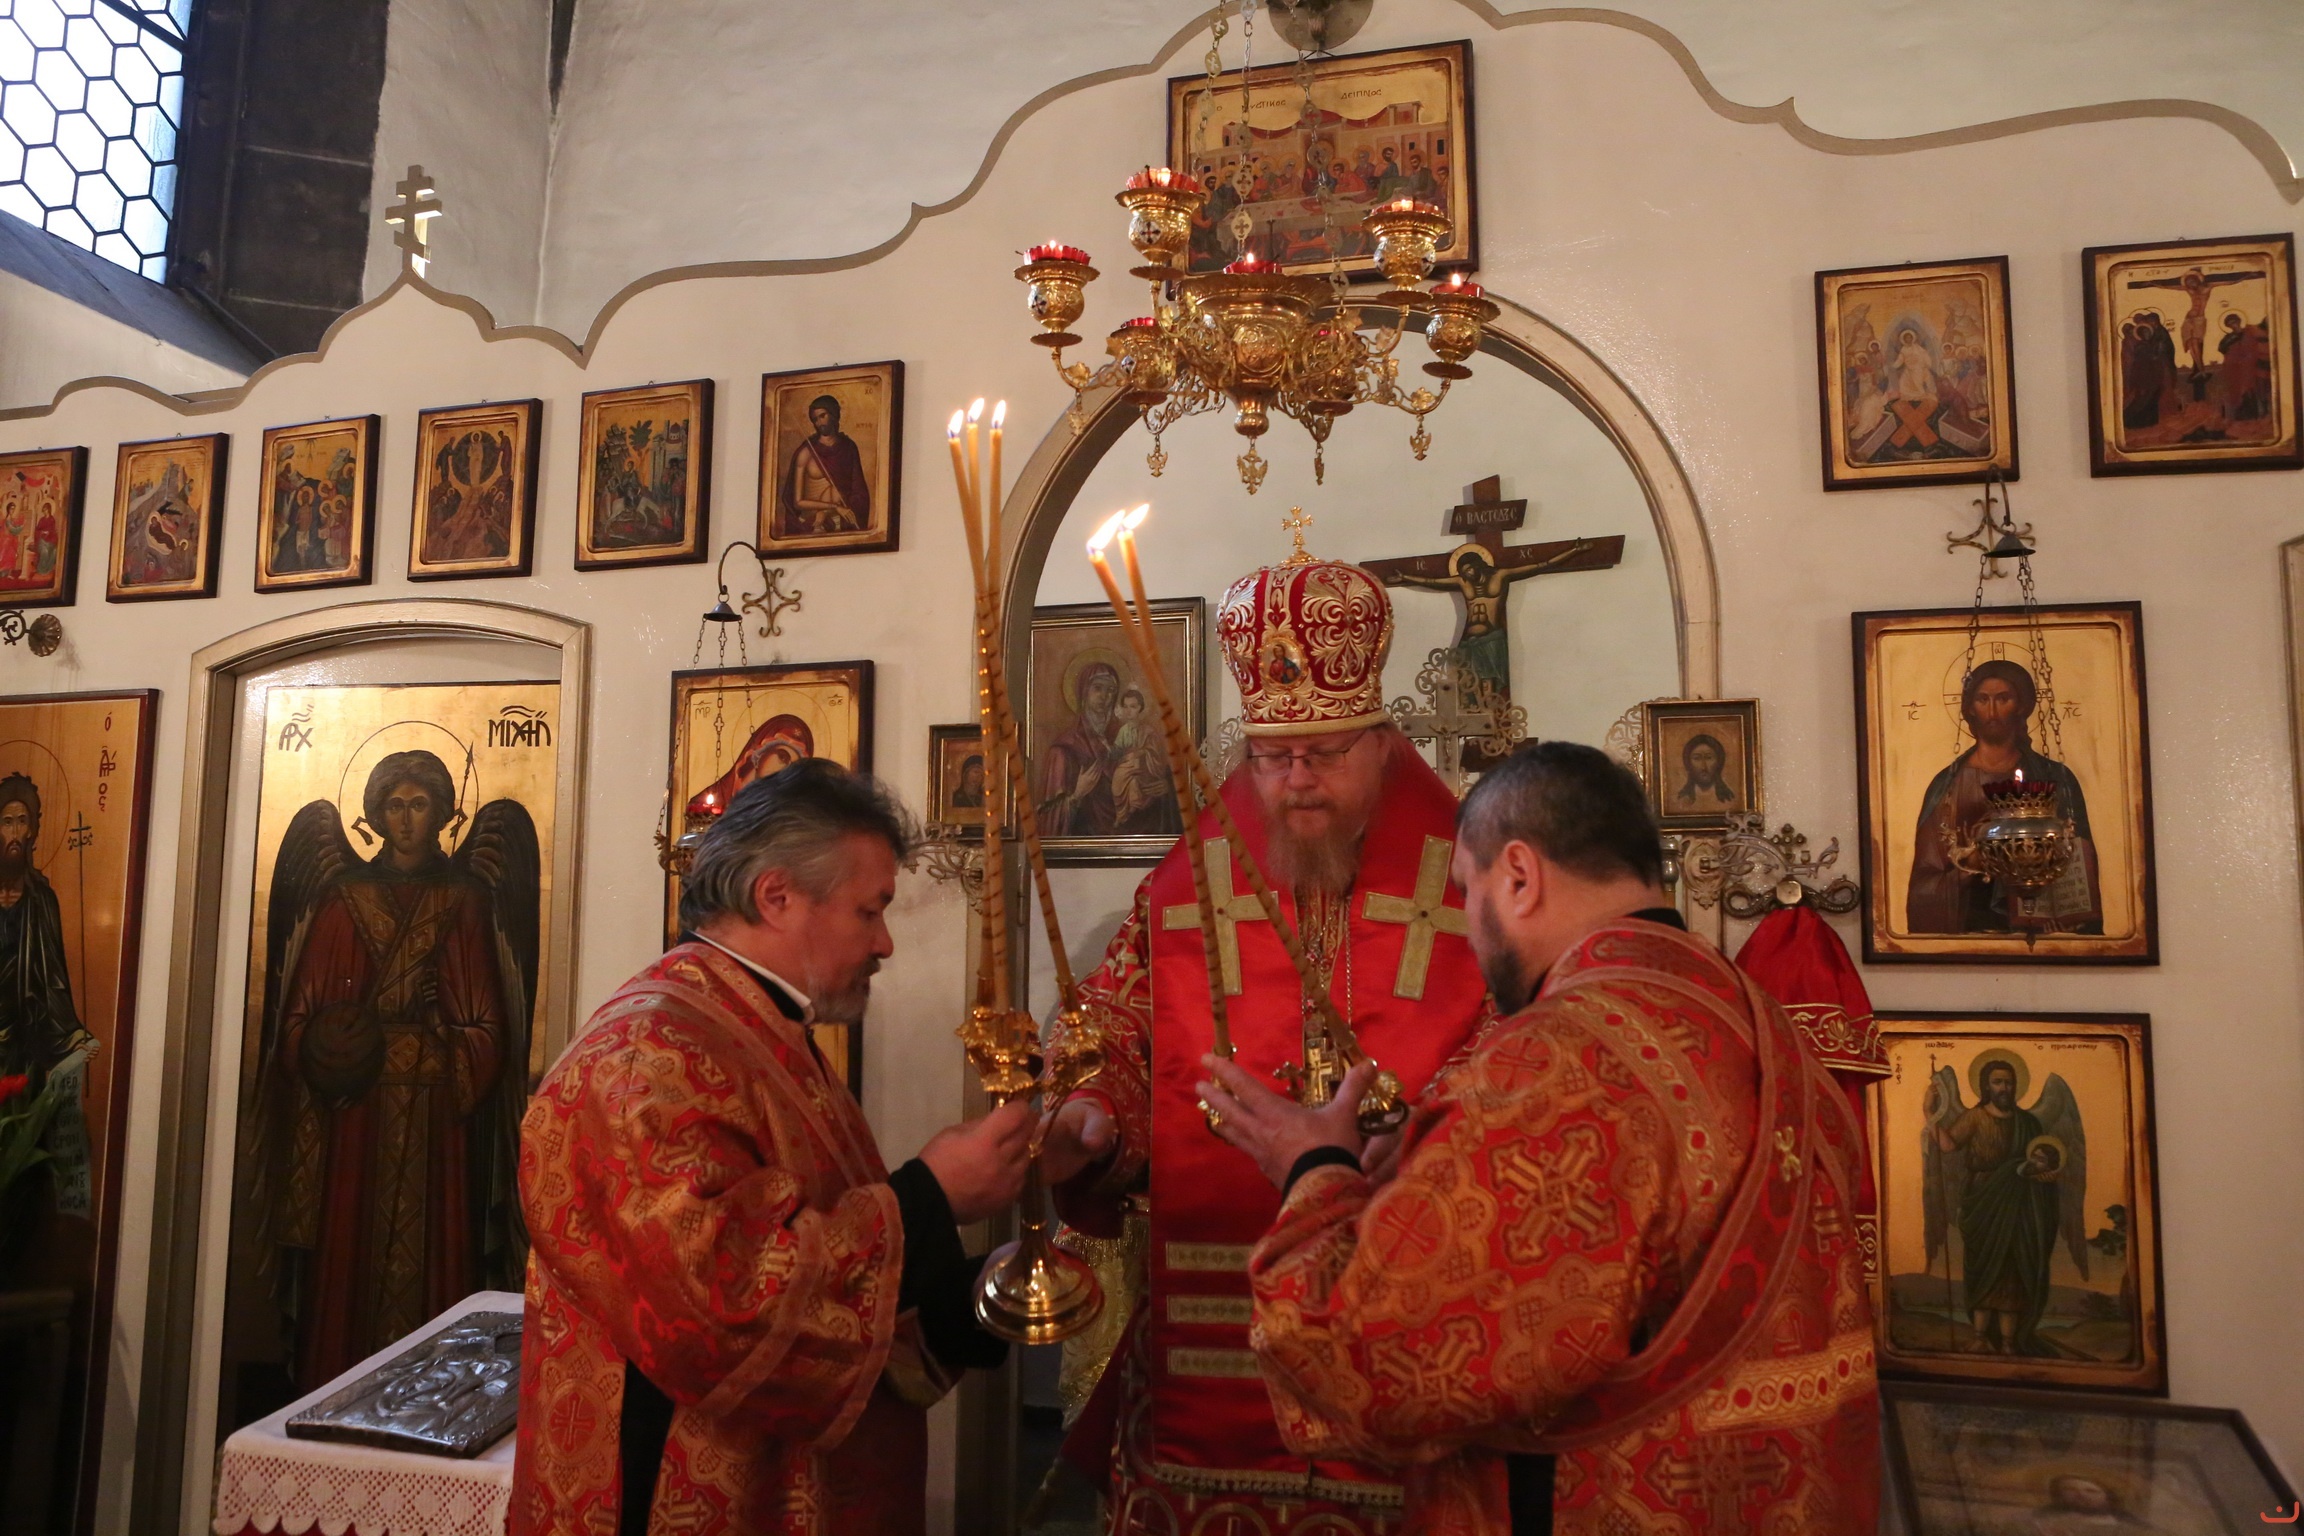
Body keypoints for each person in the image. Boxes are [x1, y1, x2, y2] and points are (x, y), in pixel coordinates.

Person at [1193, 741, 1879, 1533]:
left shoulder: (1563, 1060)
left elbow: (1368, 1360)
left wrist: (1312, 1165)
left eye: (1467, 889)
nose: (1468, 923)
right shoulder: (1757, 1021)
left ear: (1519, 876)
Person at [1034, 541, 1491, 1534]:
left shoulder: (1472, 883)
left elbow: (1509, 1050)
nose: (1295, 782)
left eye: (1323, 754)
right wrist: (1090, 1112)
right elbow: (1116, 1019)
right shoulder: (1189, 882)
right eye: (1272, 758)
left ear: (1383, 743)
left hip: (1402, 1296)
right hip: (1208, 1333)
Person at [513, 760, 1031, 1535]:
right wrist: (931, 1195)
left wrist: (977, 1296)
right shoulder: (647, 1057)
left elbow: (820, 1257)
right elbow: (720, 1309)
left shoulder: (754, 1028)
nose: (885, 942)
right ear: (777, 896)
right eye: (870, 911)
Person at [1905, 659, 2100, 935]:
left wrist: (2068, 914)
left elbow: (2075, 855)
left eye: (2003, 699)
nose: (1993, 711)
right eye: (1983, 699)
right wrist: (1971, 864)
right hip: (1972, 926)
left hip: (2041, 923)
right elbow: (1925, 882)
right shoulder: (1947, 785)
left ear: (2021, 705)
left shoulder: (2054, 777)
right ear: (1970, 708)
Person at [781, 394, 874, 535]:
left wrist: (850, 508)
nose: (819, 423)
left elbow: (858, 489)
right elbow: (797, 502)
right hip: (813, 518)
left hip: (842, 515)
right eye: (815, 419)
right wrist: (834, 507)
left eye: (822, 416)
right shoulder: (806, 452)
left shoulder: (848, 447)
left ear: (834, 414)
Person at [1672, 730, 1736, 810]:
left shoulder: (1730, 800)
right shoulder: (1680, 800)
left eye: (1709, 758)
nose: (1703, 767)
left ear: (1719, 762)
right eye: (1697, 758)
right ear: (1688, 763)